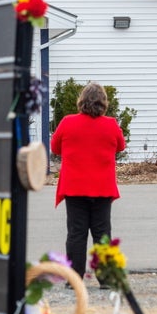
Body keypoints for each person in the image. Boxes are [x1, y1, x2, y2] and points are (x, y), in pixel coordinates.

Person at [50, 82, 126, 282]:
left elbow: (55, 147)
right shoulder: (110, 124)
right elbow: (121, 145)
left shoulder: (67, 122)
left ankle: (74, 278)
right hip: (102, 187)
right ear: (103, 103)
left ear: (81, 101)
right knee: (102, 233)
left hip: (75, 187)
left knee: (76, 233)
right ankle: (106, 278)